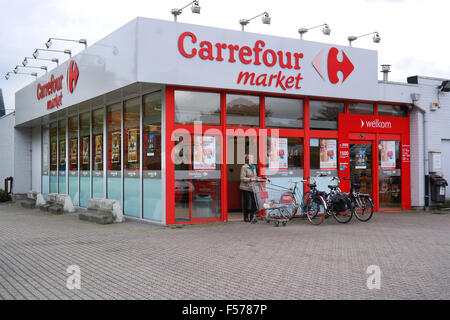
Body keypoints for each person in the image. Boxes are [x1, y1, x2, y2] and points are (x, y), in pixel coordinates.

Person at [240, 154, 258, 222]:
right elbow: (242, 178)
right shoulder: (244, 167)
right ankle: (245, 217)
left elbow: (254, 176)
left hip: (252, 187)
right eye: (252, 158)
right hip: (245, 187)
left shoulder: (254, 167)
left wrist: (258, 179)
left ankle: (252, 216)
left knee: (254, 201)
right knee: (246, 202)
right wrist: (250, 180)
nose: (253, 159)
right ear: (248, 160)